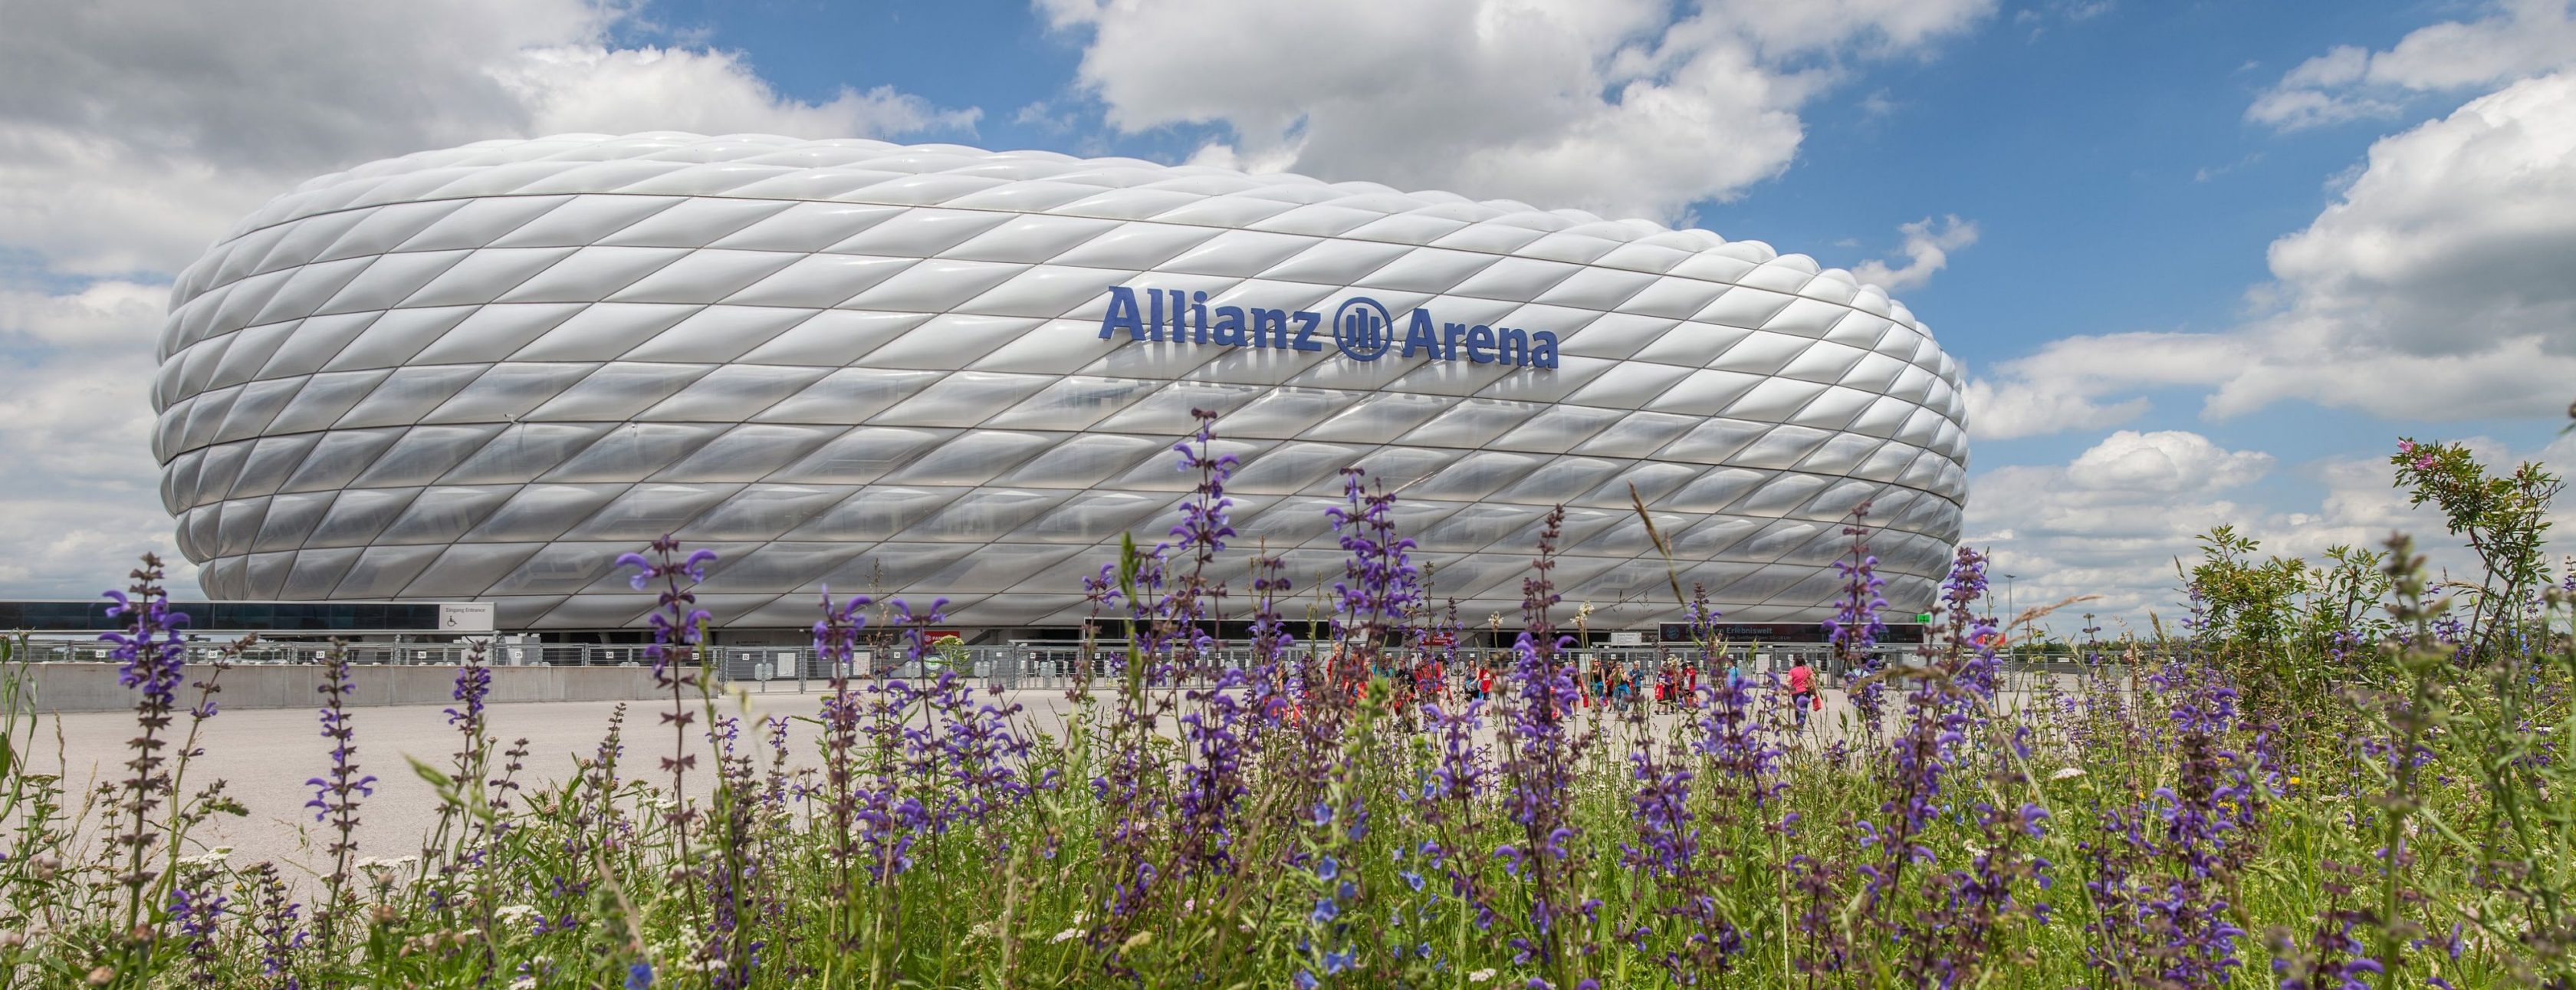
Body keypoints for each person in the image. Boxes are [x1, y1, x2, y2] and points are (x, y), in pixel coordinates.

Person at [1786, 658, 1815, 728]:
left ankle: (1798, 724)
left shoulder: (1792, 671)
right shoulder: (1807, 669)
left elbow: (1788, 680)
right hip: (1805, 691)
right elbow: (1813, 679)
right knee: (1803, 708)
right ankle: (1801, 725)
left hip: (1794, 693)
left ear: (1795, 663)